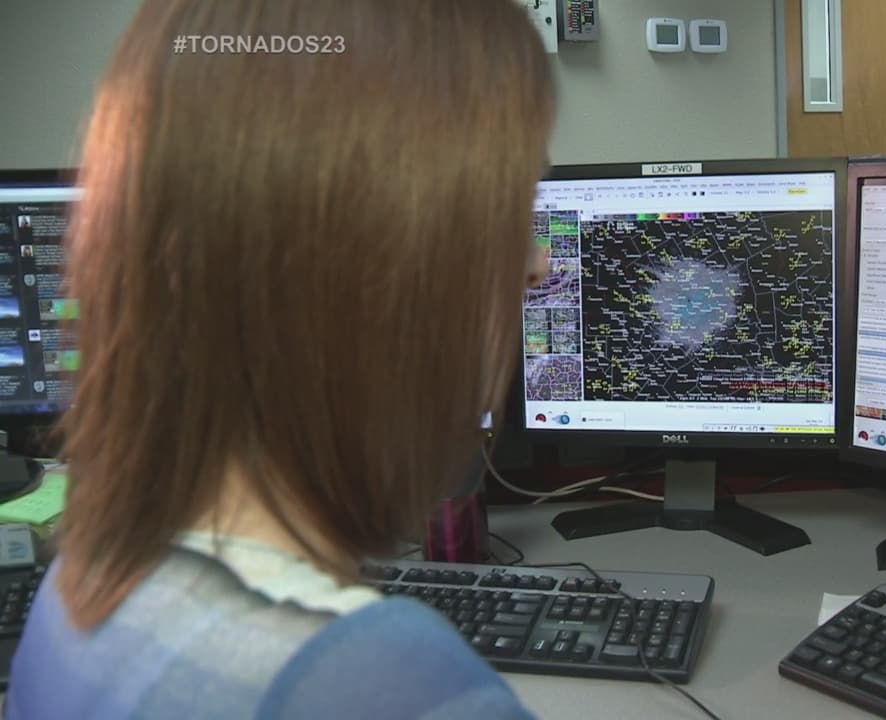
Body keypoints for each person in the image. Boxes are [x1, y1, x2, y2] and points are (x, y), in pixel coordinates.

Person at [7, 1, 553, 718]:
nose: (538, 265)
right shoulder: (391, 685)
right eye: (507, 211)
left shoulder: (83, 571)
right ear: (375, 263)